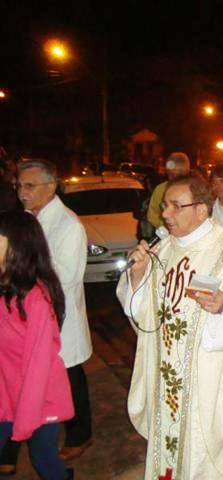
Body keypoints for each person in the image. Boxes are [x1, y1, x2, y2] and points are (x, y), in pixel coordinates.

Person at [116, 174, 223, 479]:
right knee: (169, 453)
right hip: (166, 375)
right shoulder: (162, 249)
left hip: (207, 377)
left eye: (175, 206)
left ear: (201, 209)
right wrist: (137, 275)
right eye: (164, 206)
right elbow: (138, 309)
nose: (166, 214)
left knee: (203, 454)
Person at [1, 159, 92, 474]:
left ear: (51, 186)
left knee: (68, 380)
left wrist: (24, 272)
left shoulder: (68, 224)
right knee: (23, 382)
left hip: (55, 316)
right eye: (19, 186)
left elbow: (68, 276)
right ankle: (11, 449)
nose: (22, 193)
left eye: (29, 186)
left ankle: (80, 435)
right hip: (29, 316)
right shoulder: (26, 219)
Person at [0, 211, 74, 480]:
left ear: (18, 248)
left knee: (43, 458)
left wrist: (25, 420)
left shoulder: (36, 299)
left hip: (39, 400)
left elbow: (38, 366)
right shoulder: (6, 287)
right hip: (8, 395)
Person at [146, 152, 190, 229]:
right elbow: (152, 215)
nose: (175, 178)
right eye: (171, 174)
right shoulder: (160, 189)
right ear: (167, 173)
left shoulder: (193, 189)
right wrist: (167, 225)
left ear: (186, 173)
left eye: (179, 175)